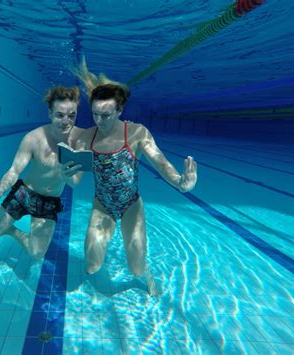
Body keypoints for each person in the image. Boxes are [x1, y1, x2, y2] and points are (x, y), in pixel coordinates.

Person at [72, 60, 198, 296]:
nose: (99, 121)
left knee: (137, 268)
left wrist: (180, 182)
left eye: (106, 115)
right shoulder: (87, 137)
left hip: (131, 205)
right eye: (95, 114)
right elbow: (75, 180)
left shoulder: (137, 132)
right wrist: (67, 173)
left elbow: (160, 163)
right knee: (92, 265)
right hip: (102, 205)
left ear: (119, 111)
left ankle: (147, 276)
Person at [0, 86, 84, 259]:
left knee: (36, 253)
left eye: (71, 115)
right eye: (60, 115)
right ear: (50, 113)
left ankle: (11, 231)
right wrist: (0, 190)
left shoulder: (80, 142)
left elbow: (74, 182)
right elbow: (14, 170)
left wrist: (67, 175)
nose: (66, 121)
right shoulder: (34, 139)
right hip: (24, 194)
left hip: (50, 202)